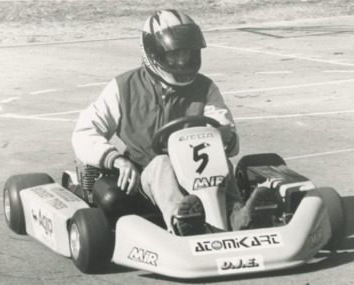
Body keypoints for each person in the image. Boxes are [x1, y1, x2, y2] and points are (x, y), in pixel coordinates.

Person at [72, 10, 277, 235]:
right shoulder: (124, 88)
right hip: (145, 177)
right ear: (153, 53)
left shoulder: (205, 88)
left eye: (187, 53)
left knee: (218, 157)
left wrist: (223, 133)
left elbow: (222, 123)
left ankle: (238, 216)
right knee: (162, 163)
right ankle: (181, 221)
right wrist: (118, 161)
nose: (182, 61)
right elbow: (84, 132)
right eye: (174, 55)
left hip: (198, 174)